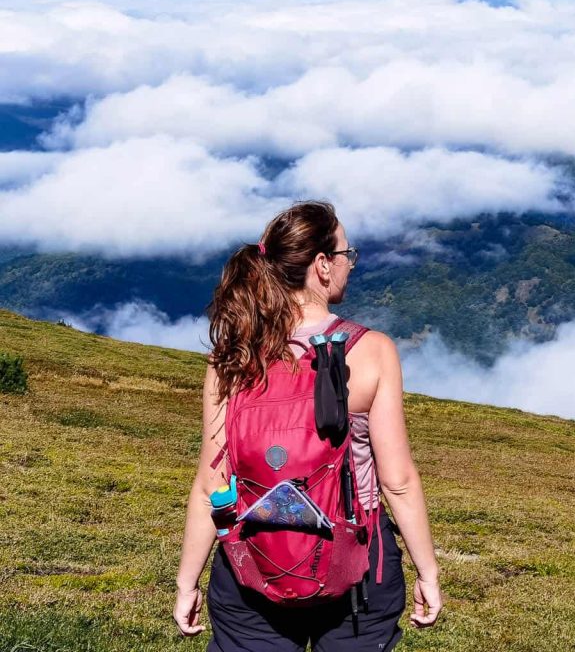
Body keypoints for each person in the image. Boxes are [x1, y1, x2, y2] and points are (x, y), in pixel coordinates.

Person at [173, 200, 442, 651]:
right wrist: (428, 573)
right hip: (358, 568)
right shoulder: (371, 351)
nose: (349, 266)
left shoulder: (233, 357)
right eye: (345, 255)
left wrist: (187, 582)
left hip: (250, 566)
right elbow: (397, 483)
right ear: (321, 265)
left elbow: (210, 485)